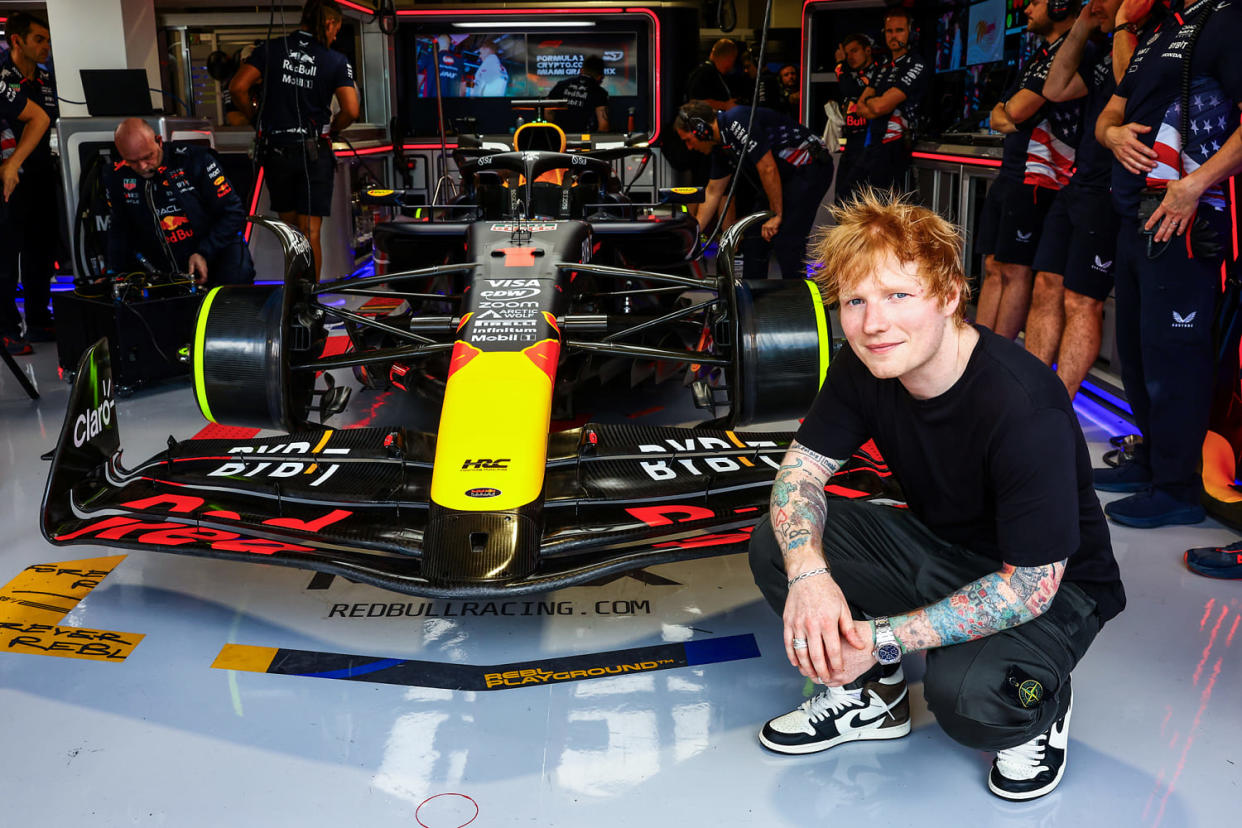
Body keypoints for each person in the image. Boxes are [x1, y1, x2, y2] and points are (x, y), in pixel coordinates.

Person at [748, 189, 1125, 801]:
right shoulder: (866, 362)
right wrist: (810, 572)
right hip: (944, 548)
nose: (874, 322)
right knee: (778, 544)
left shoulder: (1024, 407)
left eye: (899, 295)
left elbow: (1027, 587)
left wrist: (875, 638)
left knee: (971, 698)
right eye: (855, 301)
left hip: (1055, 586)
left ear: (950, 297)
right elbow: (801, 472)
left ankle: (1042, 701)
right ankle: (873, 698)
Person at [1093, 0, 1242, 528]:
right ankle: (1153, 466)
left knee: (1175, 358)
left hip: (1187, 217)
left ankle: (1178, 488)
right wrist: (1111, 133)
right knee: (1136, 353)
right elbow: (1114, 107)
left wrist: (1196, 185)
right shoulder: (1160, 28)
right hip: (1136, 212)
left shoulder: (1226, 17)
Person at [1024, 0, 1140, 397]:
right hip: (1080, 182)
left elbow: (1132, 88)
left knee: (1081, 301)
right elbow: (1054, 88)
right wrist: (1081, 28)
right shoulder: (1101, 49)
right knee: (1046, 285)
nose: (1095, 3)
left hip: (1114, 187)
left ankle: (1057, 406)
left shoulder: (1145, 40)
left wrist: (1123, 23)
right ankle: (1032, 396)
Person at [229, 0, 359, 282]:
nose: (336, 36)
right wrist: (333, 130)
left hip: (277, 150)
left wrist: (257, 120)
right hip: (314, 151)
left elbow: (237, 87)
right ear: (330, 23)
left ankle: (291, 296)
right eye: (337, 28)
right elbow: (351, 109)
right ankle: (309, 300)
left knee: (291, 231)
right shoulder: (335, 60)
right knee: (310, 232)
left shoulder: (271, 49)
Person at [973, 0, 1080, 340]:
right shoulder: (1038, 56)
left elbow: (1015, 111)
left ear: (1061, 6)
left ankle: (998, 359)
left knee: (1015, 269)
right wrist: (1011, 115)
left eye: (1035, 2)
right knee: (992, 264)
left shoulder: (1075, 51)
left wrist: (1011, 116)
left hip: (1038, 174)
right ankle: (978, 350)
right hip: (1011, 170)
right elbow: (997, 115)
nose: (1027, 9)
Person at [674, 100, 833, 279]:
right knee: (753, 237)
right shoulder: (721, 147)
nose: (689, 147)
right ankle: (753, 300)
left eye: (688, 140)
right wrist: (693, 236)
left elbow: (767, 168)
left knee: (788, 241)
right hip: (784, 176)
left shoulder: (736, 120)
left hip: (809, 165)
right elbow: (713, 192)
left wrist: (776, 215)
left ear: (700, 130)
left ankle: (801, 299)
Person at [105, 119, 254, 288]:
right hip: (163, 272)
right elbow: (119, 228)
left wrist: (204, 251)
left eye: (148, 157)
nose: (143, 166)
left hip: (217, 255)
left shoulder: (195, 160)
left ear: (159, 141)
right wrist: (113, 273)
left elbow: (233, 212)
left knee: (235, 286)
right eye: (132, 161)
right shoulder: (117, 175)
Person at [0, 11, 57, 355]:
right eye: (40, 39)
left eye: (48, 40)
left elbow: (45, 122)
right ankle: (8, 328)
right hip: (10, 176)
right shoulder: (3, 76)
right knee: (7, 255)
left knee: (42, 249)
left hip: (40, 173)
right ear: (17, 41)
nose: (46, 46)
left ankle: (38, 318)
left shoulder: (46, 79)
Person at [850, 8, 929, 194]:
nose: (893, 36)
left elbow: (879, 106)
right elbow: (859, 107)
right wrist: (874, 104)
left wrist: (874, 103)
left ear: (911, 33)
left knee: (883, 210)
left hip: (897, 146)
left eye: (899, 30)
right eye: (889, 31)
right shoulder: (883, 65)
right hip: (873, 143)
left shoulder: (916, 63)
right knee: (848, 197)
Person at [833, 34, 876, 205]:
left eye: (855, 51)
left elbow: (849, 89)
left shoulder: (876, 73)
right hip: (851, 143)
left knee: (855, 202)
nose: (850, 57)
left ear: (867, 50)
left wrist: (839, 64)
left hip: (868, 144)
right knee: (841, 202)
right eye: (847, 53)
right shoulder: (853, 74)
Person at [548, 54, 611, 133]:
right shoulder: (600, 92)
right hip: (585, 141)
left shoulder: (561, 85)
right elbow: (603, 126)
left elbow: (547, 112)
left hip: (560, 139)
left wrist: (557, 133)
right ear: (600, 77)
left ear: (581, 70)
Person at [685, 38, 738, 112]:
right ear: (730, 58)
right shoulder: (704, 73)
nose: (733, 63)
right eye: (734, 58)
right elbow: (695, 103)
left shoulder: (714, 73)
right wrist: (725, 105)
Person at [737, 49, 788, 115]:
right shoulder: (769, 78)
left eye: (748, 66)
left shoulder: (765, 80)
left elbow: (762, 110)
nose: (746, 70)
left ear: (758, 64)